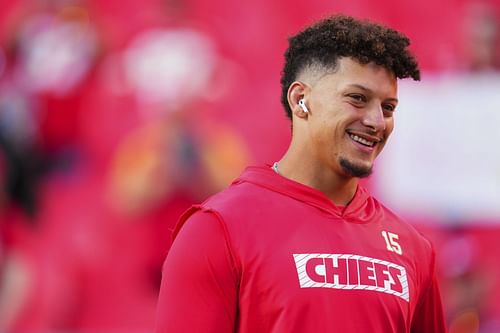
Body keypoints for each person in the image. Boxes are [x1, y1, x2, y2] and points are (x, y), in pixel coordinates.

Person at [154, 15, 448, 333]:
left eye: (388, 107)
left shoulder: (414, 249)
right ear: (300, 100)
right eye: (357, 99)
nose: (377, 121)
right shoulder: (218, 230)